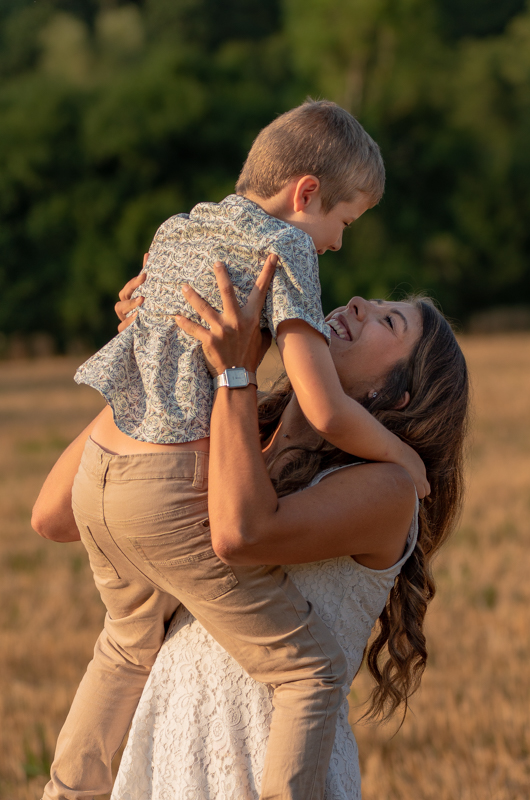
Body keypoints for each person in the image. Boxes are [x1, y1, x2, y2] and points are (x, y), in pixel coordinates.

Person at [36, 101, 428, 800]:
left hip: (104, 475)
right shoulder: (288, 249)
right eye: (344, 223)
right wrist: (406, 458)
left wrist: (172, 350)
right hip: (160, 487)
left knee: (124, 646)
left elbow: (56, 514)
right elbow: (323, 406)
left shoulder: (180, 227)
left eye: (389, 319)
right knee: (310, 673)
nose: (338, 248)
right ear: (306, 195)